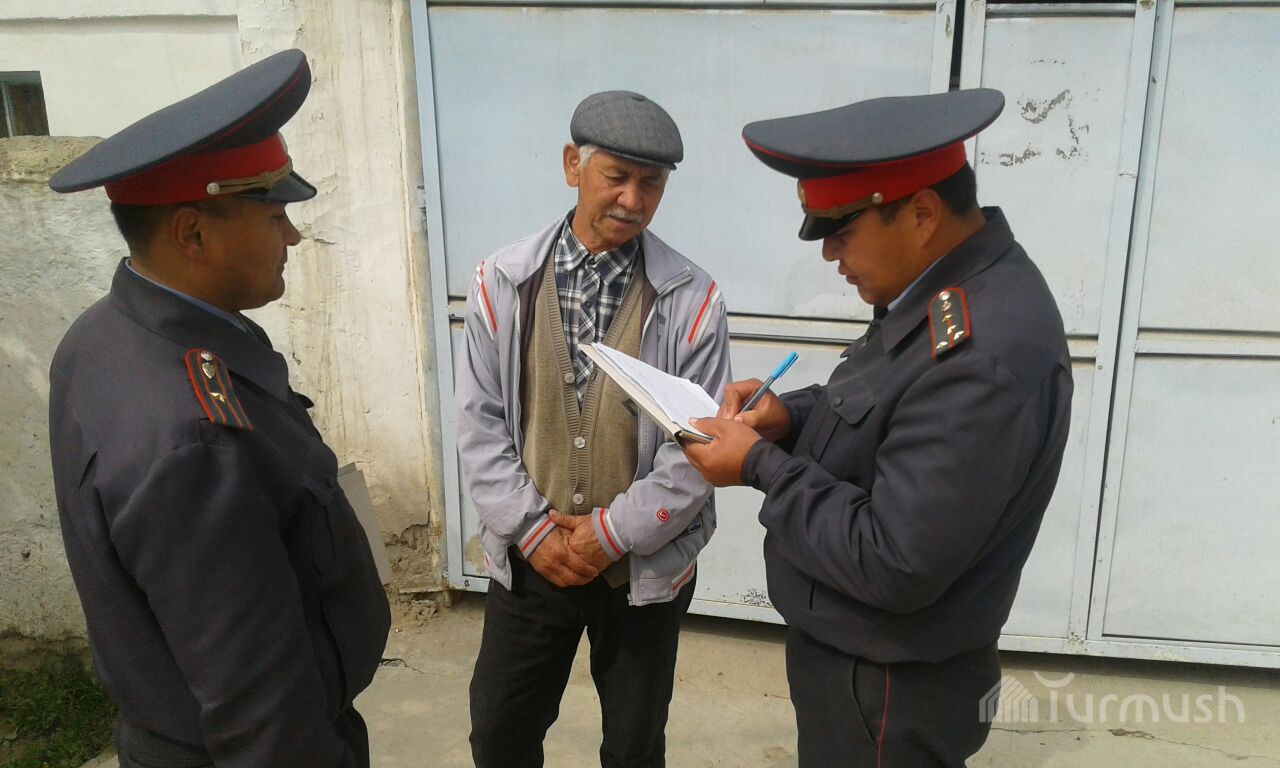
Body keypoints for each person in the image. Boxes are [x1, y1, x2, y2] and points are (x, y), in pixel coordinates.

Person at [682, 89, 1073, 767]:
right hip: (864, 663)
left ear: (921, 214)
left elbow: (896, 561)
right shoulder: (944, 289)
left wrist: (758, 465)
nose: (830, 253)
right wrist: (788, 417)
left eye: (843, 230)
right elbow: (888, 405)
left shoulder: (980, 353)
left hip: (889, 689)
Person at [46, 49, 390, 768]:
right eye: (275, 215)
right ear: (193, 234)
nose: (293, 237)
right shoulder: (191, 437)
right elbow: (259, 710)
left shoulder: (108, 333)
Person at [456, 90, 732, 768]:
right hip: (532, 556)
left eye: (651, 184)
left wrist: (611, 533)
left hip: (642, 563)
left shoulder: (694, 299)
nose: (633, 200)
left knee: (635, 746)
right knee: (500, 735)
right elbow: (480, 421)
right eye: (617, 176)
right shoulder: (501, 281)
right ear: (572, 165)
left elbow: (697, 446)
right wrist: (533, 529)